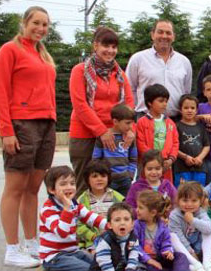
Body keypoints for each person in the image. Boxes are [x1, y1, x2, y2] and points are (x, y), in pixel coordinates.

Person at [0, 6, 57, 267]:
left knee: (33, 189)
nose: (41, 29)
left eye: (45, 25)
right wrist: (6, 130)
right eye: (36, 23)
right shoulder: (10, 50)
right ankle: (12, 249)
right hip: (22, 124)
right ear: (25, 23)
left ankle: (32, 242)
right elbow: (0, 90)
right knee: (15, 188)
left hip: (46, 124)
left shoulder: (43, 54)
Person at [69, 26, 135, 194]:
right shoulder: (80, 71)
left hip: (114, 136)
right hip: (85, 135)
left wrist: (130, 129)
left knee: (113, 187)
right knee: (85, 186)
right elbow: (80, 105)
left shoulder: (119, 74)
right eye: (106, 46)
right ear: (95, 46)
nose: (110, 50)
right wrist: (101, 131)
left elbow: (129, 104)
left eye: (114, 47)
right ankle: (83, 220)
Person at [38, 166, 107, 271]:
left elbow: (90, 217)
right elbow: (62, 233)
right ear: (52, 190)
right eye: (63, 184)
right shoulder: (48, 209)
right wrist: (67, 209)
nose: (69, 187)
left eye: (72, 183)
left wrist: (109, 224)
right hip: (55, 256)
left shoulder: (74, 204)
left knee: (101, 264)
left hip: (73, 251)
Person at [126, 19, 192, 120]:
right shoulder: (138, 59)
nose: (164, 36)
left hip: (176, 121)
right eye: (160, 32)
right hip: (145, 119)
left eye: (168, 33)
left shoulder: (184, 62)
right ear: (152, 35)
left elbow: (186, 92)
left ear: (173, 37)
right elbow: (129, 89)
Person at [133, 190, 195, 271]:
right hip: (143, 260)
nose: (136, 210)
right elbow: (135, 247)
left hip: (159, 258)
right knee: (142, 268)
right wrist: (149, 260)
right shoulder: (136, 225)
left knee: (180, 256)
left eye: (140, 208)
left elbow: (166, 242)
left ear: (153, 212)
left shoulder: (162, 226)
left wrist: (168, 251)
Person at [92, 203, 147, 271]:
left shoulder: (133, 238)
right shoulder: (105, 240)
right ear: (109, 225)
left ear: (132, 224)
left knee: (140, 267)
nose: (122, 223)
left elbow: (133, 257)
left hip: (123, 269)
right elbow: (104, 262)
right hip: (105, 270)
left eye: (126, 219)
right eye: (117, 220)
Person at [168, 182, 211, 271]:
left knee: (208, 231)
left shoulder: (200, 212)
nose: (189, 204)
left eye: (194, 201)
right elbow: (179, 238)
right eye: (185, 200)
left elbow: (209, 228)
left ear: (200, 201)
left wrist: (192, 220)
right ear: (178, 200)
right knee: (172, 236)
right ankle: (196, 266)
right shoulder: (174, 215)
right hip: (183, 251)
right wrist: (191, 253)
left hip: (198, 248)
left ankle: (207, 264)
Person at [135, 84, 179, 182]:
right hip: (149, 165)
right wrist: (154, 160)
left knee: (165, 190)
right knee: (148, 190)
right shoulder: (141, 122)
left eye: (166, 101)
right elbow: (140, 143)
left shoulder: (170, 123)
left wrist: (171, 159)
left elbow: (175, 143)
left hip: (166, 165)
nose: (164, 104)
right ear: (150, 102)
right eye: (160, 101)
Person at [76, 161, 124, 250]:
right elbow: (78, 225)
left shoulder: (118, 198)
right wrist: (93, 236)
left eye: (103, 176)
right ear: (87, 179)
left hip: (115, 240)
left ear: (108, 178)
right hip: (92, 242)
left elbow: (124, 218)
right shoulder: (81, 200)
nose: (99, 179)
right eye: (95, 176)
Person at [92, 104, 137, 196]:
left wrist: (130, 175)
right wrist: (103, 175)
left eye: (132, 123)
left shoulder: (130, 137)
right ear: (115, 121)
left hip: (125, 179)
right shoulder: (104, 137)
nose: (130, 126)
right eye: (127, 123)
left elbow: (133, 158)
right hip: (109, 180)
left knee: (125, 205)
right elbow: (96, 159)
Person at [125, 150, 177, 219]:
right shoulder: (136, 187)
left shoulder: (168, 186)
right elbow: (129, 207)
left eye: (157, 168)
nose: (154, 172)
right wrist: (144, 214)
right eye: (149, 169)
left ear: (162, 168)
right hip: (142, 226)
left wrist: (167, 216)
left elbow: (176, 205)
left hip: (165, 225)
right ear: (144, 169)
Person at [174, 95, 211, 187]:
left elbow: (207, 145)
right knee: (183, 192)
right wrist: (185, 157)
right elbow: (173, 147)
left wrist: (200, 158)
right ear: (180, 109)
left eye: (192, 108)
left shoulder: (201, 127)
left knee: (198, 193)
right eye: (186, 108)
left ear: (196, 110)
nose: (189, 110)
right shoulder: (176, 126)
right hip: (181, 168)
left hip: (199, 168)